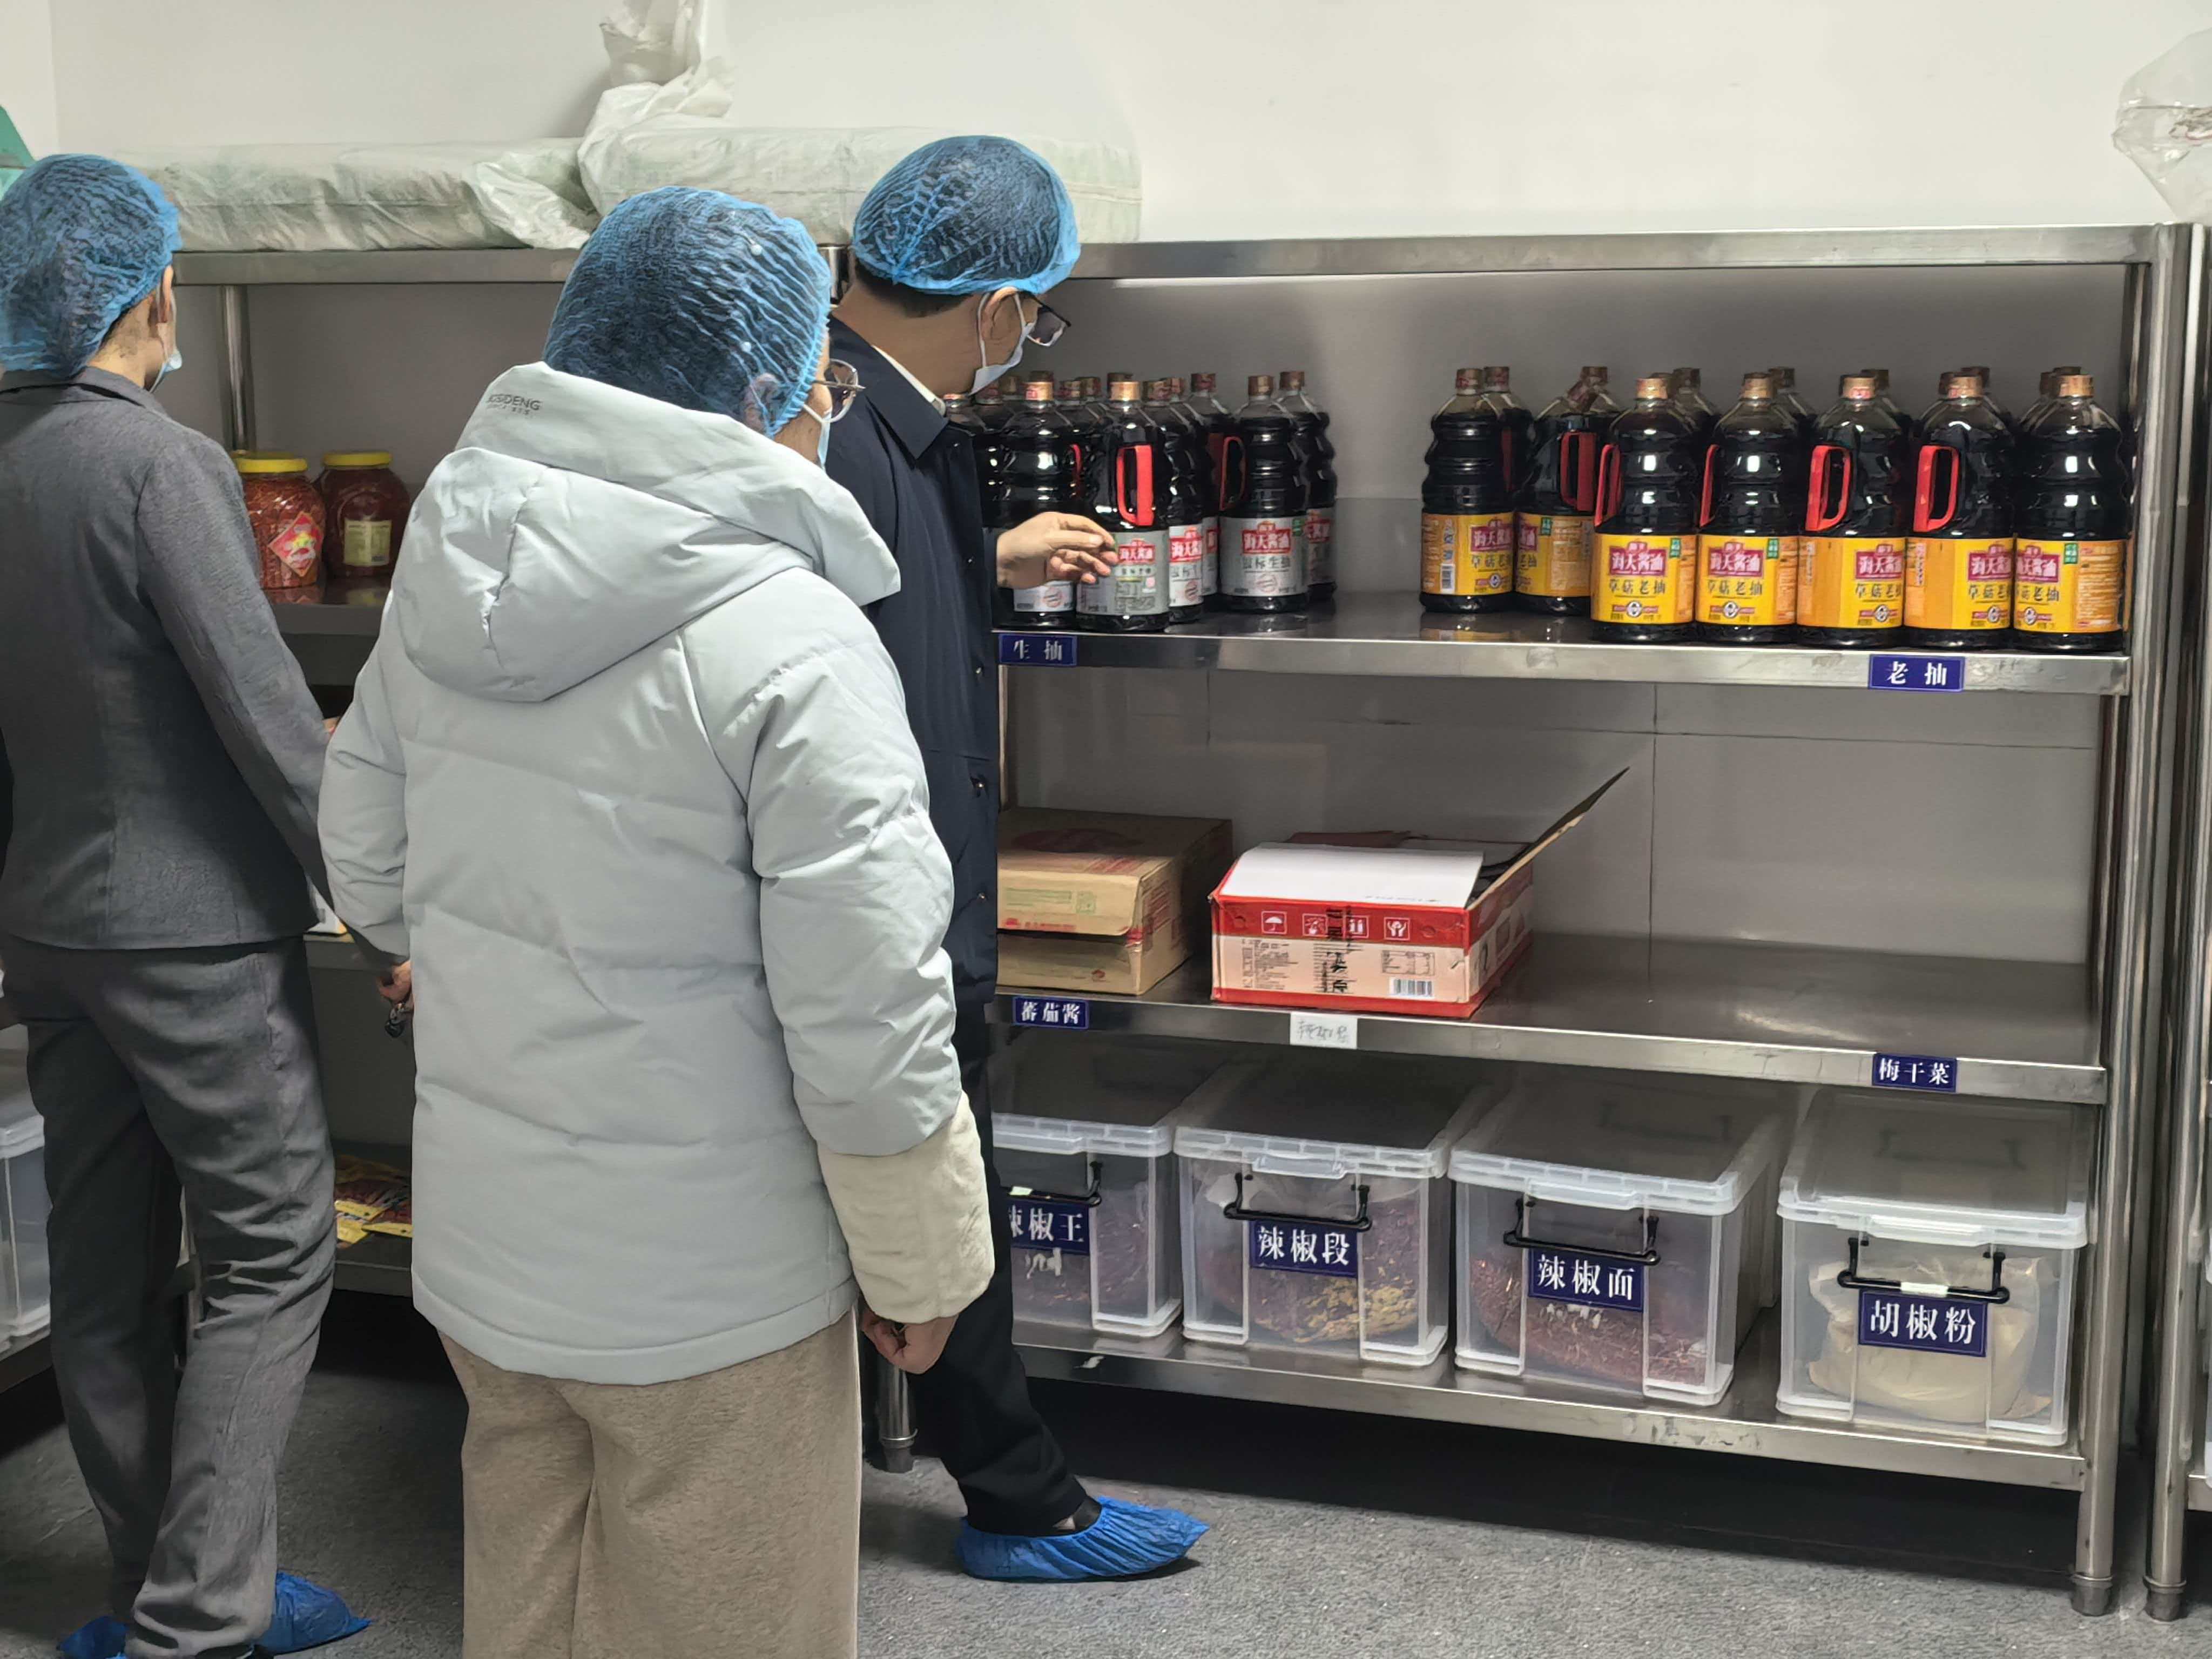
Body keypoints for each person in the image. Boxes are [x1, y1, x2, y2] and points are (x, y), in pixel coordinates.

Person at [318, 186, 995, 1659]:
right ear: (764, 389)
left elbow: (363, 861)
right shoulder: (794, 637)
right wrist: (923, 1263)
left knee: (532, 1604)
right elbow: (869, 1010)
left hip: (494, 1258)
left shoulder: (450, 572)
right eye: (821, 381)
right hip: (715, 1288)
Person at [0, 156, 379, 1659]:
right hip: (195, 935)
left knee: (103, 1273)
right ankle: (202, 1620)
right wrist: (387, 910)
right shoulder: (160, 465)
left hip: (50, 926)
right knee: (274, 1254)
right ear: (154, 295)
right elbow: (269, 719)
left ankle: (149, 1588)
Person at [828, 135, 1208, 1581]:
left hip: (919, 890)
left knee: (948, 1190)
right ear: (994, 306)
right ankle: (1019, 1501)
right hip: (882, 905)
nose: (1022, 341)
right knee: (935, 1198)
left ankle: (1017, 1487)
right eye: (1031, 316)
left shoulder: (890, 426)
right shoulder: (835, 431)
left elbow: (865, 593)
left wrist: (985, 558)